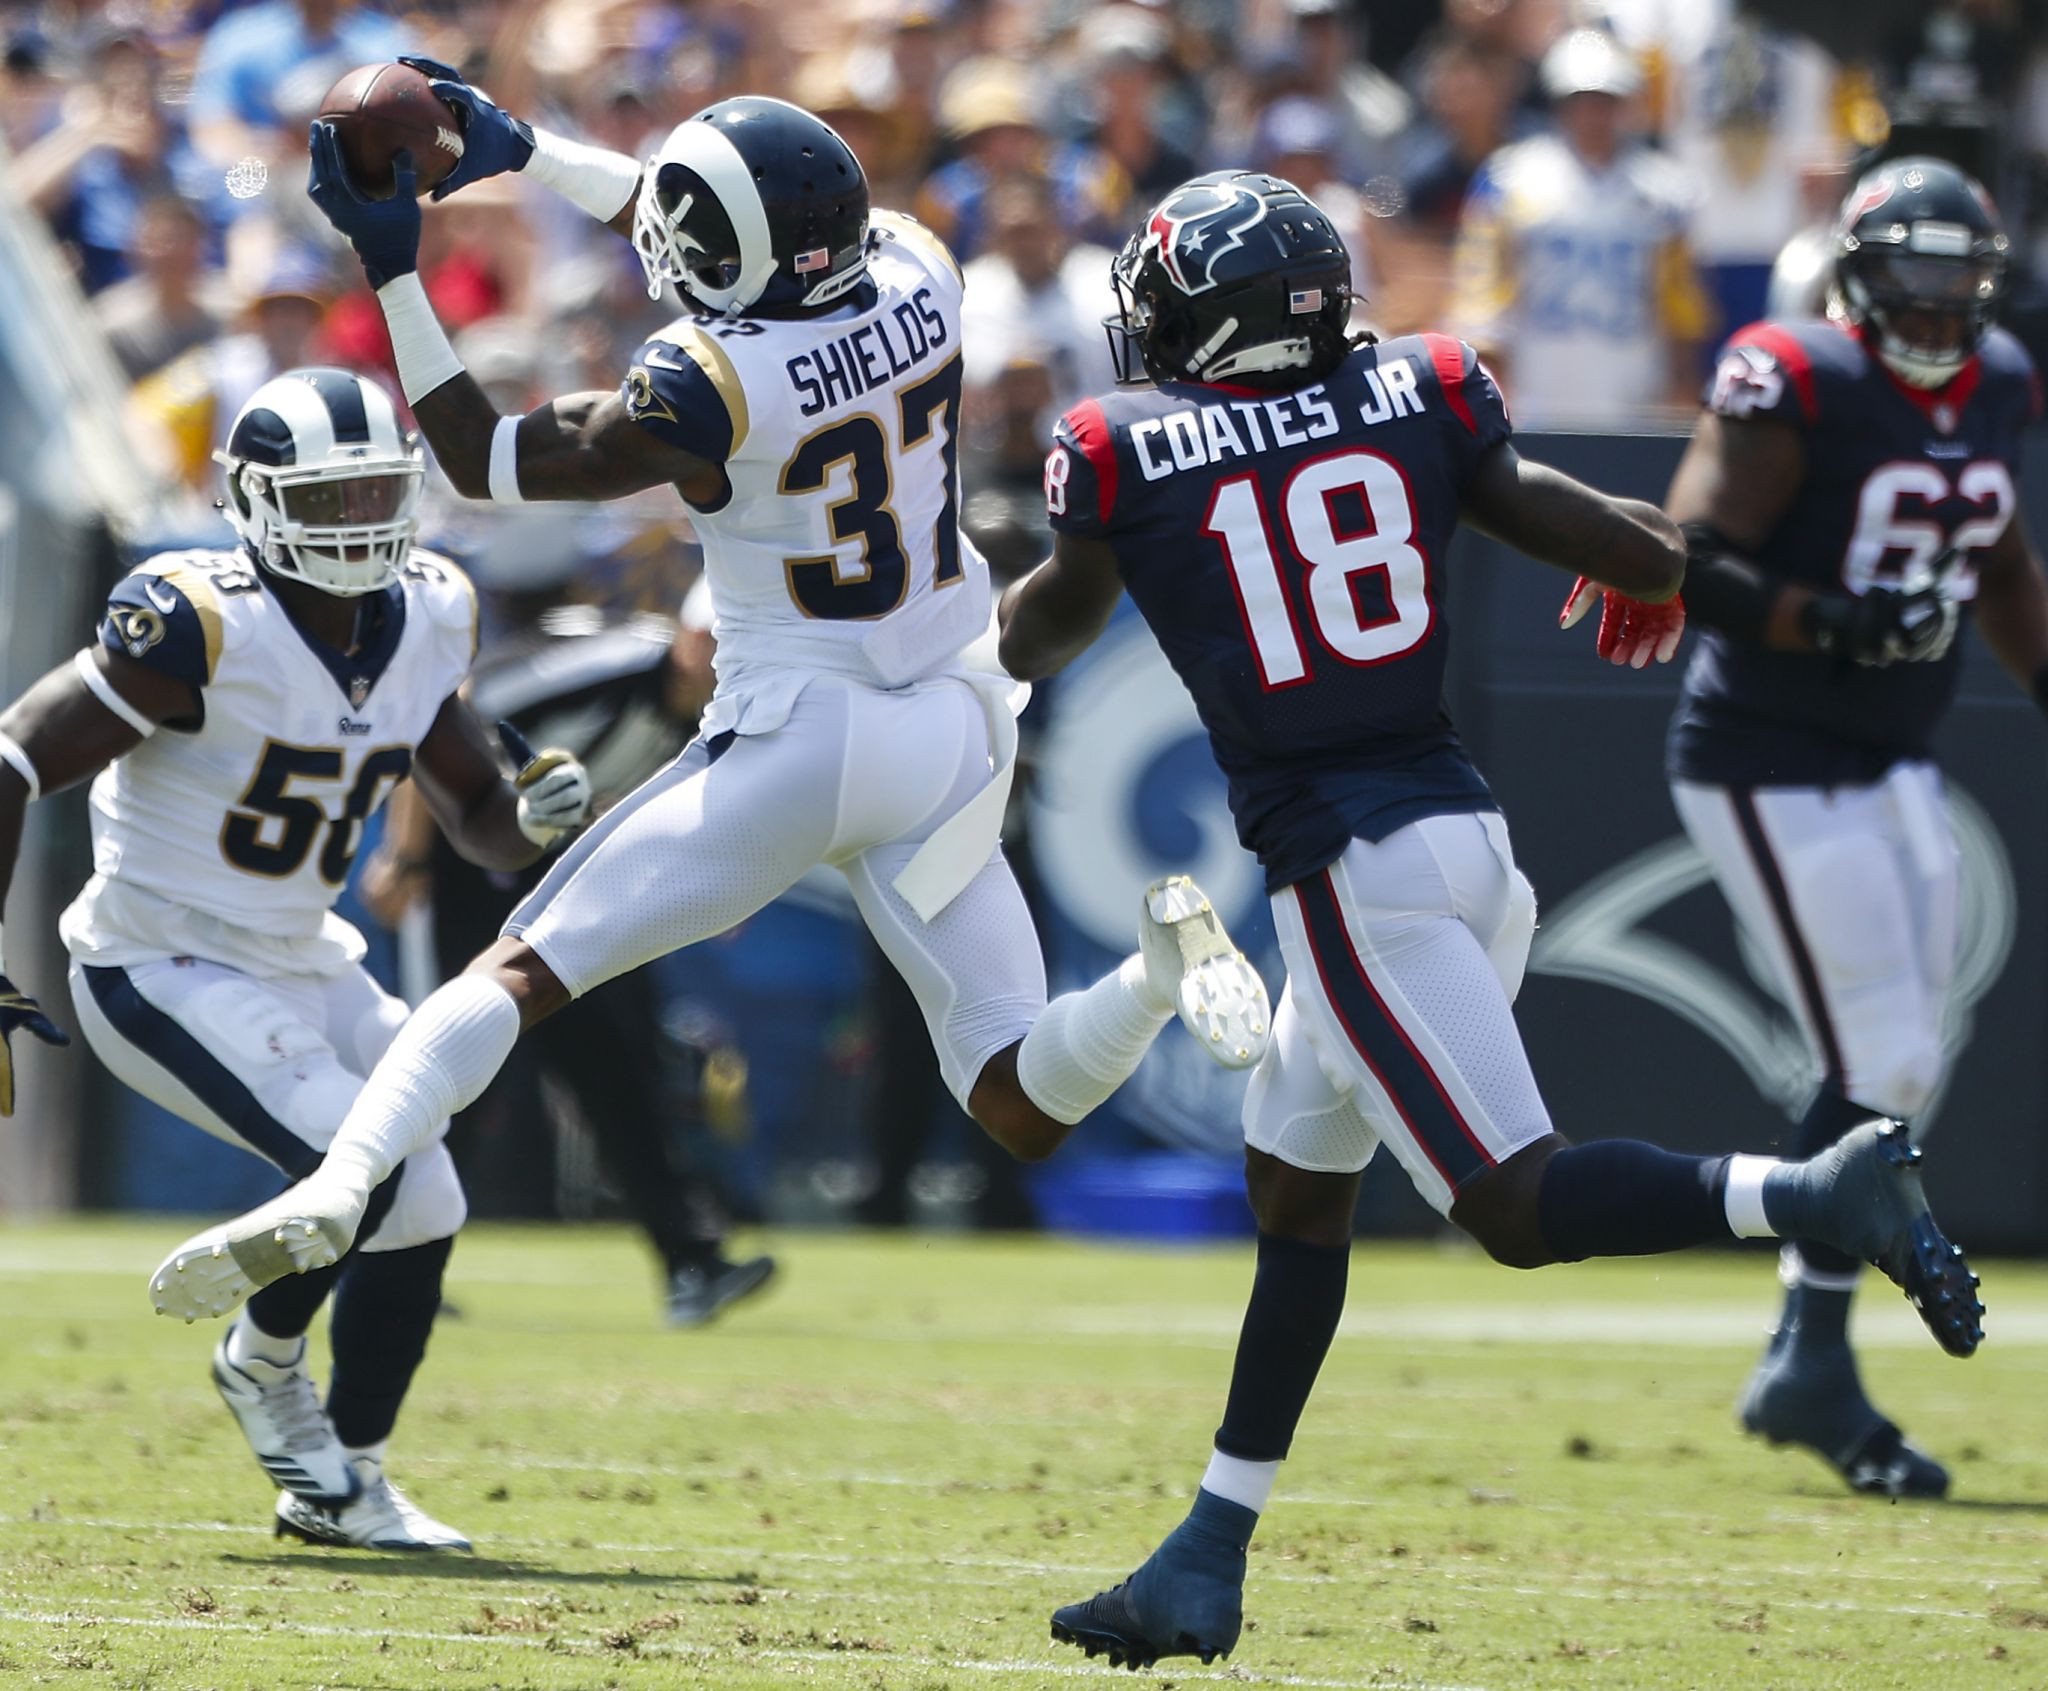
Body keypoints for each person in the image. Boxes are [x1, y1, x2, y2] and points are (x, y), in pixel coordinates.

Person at [988, 168, 1984, 1669]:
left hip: (1350, 873)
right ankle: (1204, 1553)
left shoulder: (1121, 451)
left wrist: (976, 643)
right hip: (1462, 843)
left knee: (1512, 1206)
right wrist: (1646, 569)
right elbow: (1632, 543)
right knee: (1296, 1196)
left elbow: (1045, 623)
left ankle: (1812, 1189)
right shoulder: (1423, 386)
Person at [142, 82, 1271, 1323]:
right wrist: (529, 153)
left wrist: (392, 269)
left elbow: (479, 457)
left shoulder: (708, 378)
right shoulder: (923, 269)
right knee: (1016, 1096)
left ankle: (341, 1183)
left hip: (799, 737)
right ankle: (1154, 976)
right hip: (953, 726)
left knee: (515, 972)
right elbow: (709, 229)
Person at [0, 368, 594, 1551]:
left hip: (304, 954)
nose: (358, 522)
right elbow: (17, 754)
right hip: (159, 963)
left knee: (424, 1197)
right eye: (327, 500)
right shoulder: (196, 618)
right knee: (362, 1171)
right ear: (256, 502)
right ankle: (269, 1369)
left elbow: (467, 799)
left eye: (377, 491)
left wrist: (525, 823)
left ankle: (342, 1475)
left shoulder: (429, 606)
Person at [1663, 156, 2046, 1499]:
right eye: (1917, 266)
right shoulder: (1797, 372)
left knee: (1909, 1058)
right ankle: (1810, 1351)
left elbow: (1995, 557)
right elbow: (1687, 554)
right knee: (1878, 1049)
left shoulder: (1999, 377)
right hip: (1768, 753)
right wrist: (1823, 618)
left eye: (1962, 269)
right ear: (1859, 266)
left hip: (1892, 752)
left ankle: (1807, 1347)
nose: (1941, 299)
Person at [364, 563, 776, 1324]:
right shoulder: (609, 666)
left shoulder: (736, 715)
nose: (725, 660)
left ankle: (690, 1258)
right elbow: (440, 716)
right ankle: (378, 1258)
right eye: (716, 641)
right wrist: (408, 854)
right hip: (468, 857)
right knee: (447, 1062)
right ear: (686, 637)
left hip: (559, 870)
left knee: (616, 1064)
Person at [1450, 28, 1712, 426]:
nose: (1593, 114)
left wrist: (1679, 389)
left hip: (1633, 380)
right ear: (1559, 104)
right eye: (1581, 101)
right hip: (1540, 379)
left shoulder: (1666, 191)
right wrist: (1494, 377)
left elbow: (1682, 306)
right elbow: (1482, 293)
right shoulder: (1511, 179)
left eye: (1604, 101)